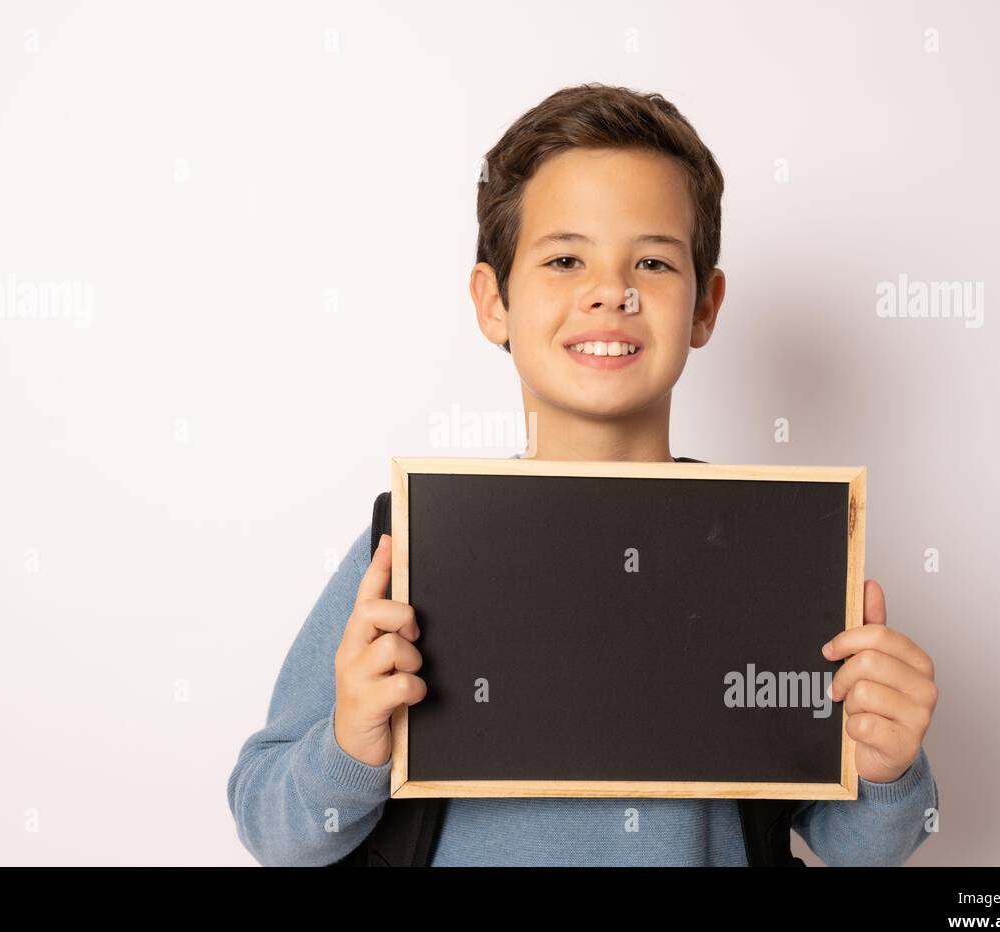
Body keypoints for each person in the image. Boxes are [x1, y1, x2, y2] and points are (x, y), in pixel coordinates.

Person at [227, 82, 939, 866]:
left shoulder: (770, 554)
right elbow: (276, 832)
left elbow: (860, 847)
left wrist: (888, 767)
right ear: (493, 301)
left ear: (705, 306)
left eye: (655, 261)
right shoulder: (410, 548)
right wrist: (350, 745)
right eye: (565, 258)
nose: (612, 291)